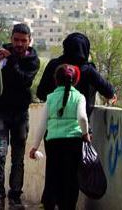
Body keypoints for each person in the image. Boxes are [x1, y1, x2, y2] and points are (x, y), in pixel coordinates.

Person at [0, 23, 40, 210]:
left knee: (18, 158)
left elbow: (24, 81)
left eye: (23, 41)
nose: (19, 44)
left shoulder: (32, 60)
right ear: (11, 39)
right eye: (16, 40)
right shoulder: (1, 55)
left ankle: (15, 197)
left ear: (29, 41)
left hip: (20, 114)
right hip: (0, 112)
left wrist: (11, 62)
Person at [29, 64, 90, 210]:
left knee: (53, 176)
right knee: (71, 178)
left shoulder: (50, 98)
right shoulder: (79, 97)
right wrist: (85, 134)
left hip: (53, 143)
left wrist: (34, 147)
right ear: (75, 81)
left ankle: (50, 204)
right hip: (74, 142)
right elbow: (82, 118)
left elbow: (42, 125)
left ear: (56, 80)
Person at [36, 32, 116, 117]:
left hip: (53, 122)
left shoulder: (54, 65)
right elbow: (108, 91)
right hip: (79, 125)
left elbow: (41, 93)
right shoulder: (88, 70)